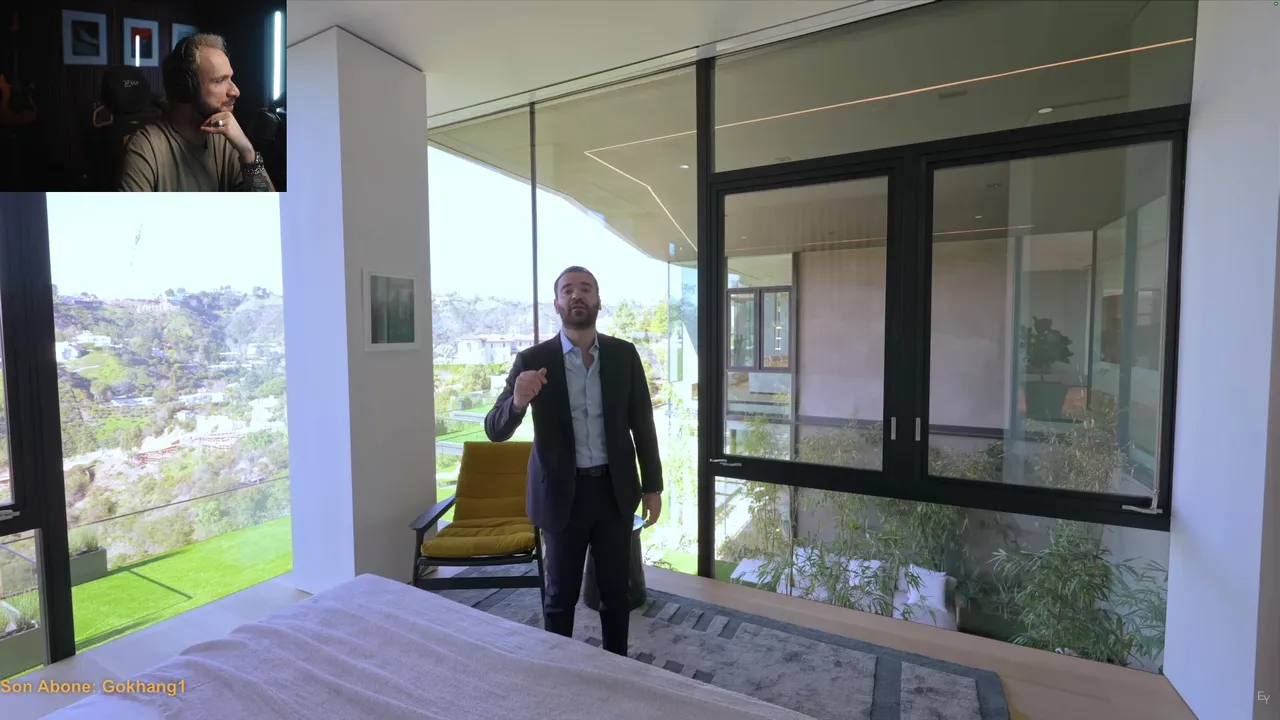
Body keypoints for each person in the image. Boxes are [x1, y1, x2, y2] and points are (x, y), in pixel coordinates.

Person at [485, 266, 663, 657]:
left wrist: (653, 486)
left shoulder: (624, 355)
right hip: (561, 496)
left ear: (598, 301)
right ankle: (558, 671)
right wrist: (518, 400)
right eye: (567, 290)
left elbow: (643, 424)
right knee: (560, 596)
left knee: (615, 595)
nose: (576, 295)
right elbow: (494, 429)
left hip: (614, 493)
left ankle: (616, 668)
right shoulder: (532, 360)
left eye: (585, 289)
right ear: (557, 303)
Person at [119, 34, 275, 192]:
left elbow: (270, 207)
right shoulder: (146, 148)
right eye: (220, 80)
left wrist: (247, 152)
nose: (235, 91)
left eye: (230, 78)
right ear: (186, 88)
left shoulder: (226, 137)